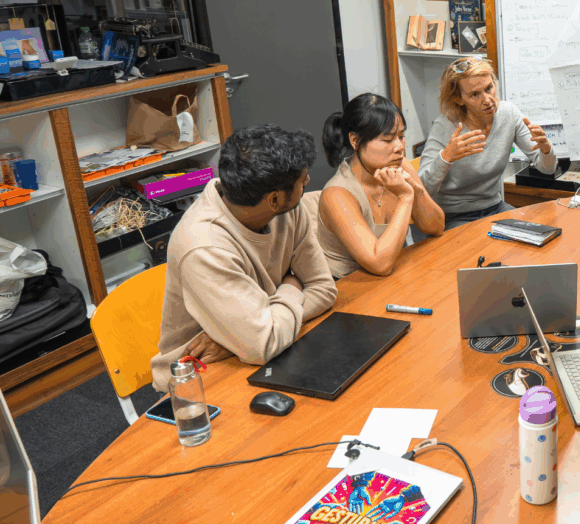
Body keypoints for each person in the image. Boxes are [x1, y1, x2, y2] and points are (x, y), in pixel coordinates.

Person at [150, 125, 337, 391]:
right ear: (274, 199)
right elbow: (263, 345)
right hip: (200, 373)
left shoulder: (288, 209)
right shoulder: (204, 246)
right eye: (302, 180)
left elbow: (323, 288)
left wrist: (240, 336)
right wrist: (293, 285)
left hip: (263, 350)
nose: (307, 182)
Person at [317, 93, 444, 278]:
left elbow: (436, 226)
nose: (399, 147)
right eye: (387, 140)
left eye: (401, 136)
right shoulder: (337, 194)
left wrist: (415, 190)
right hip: (349, 287)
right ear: (355, 141)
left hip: (395, 272)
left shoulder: (399, 165)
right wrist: (404, 197)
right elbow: (380, 264)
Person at [419, 56, 555, 227]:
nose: (487, 100)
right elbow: (423, 190)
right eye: (474, 95)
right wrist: (446, 157)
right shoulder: (445, 127)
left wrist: (546, 150)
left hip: (495, 208)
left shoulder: (509, 114)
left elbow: (548, 169)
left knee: (537, 237)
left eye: (489, 88)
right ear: (459, 99)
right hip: (454, 216)